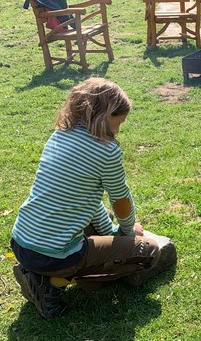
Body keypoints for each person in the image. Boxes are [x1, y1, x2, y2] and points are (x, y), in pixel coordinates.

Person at [11, 78, 161, 318]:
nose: (118, 130)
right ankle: (52, 285)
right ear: (104, 115)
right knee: (149, 251)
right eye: (118, 122)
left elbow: (89, 202)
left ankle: (41, 271)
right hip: (52, 255)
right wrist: (128, 233)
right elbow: (121, 200)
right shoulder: (107, 151)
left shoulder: (59, 136)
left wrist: (111, 233)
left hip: (21, 241)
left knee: (104, 221)